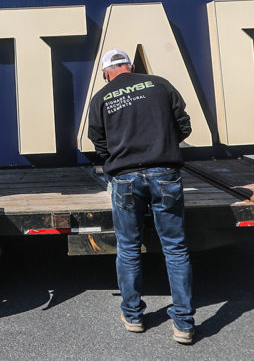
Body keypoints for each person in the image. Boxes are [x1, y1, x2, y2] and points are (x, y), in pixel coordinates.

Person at [88, 49, 195, 344]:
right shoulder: (159, 84)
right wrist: (162, 145)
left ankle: (133, 316)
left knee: (128, 248)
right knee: (175, 249)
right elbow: (183, 125)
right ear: (131, 66)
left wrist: (119, 156)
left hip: (125, 178)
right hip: (164, 173)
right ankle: (184, 324)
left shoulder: (101, 97)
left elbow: (98, 142)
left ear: (106, 73)